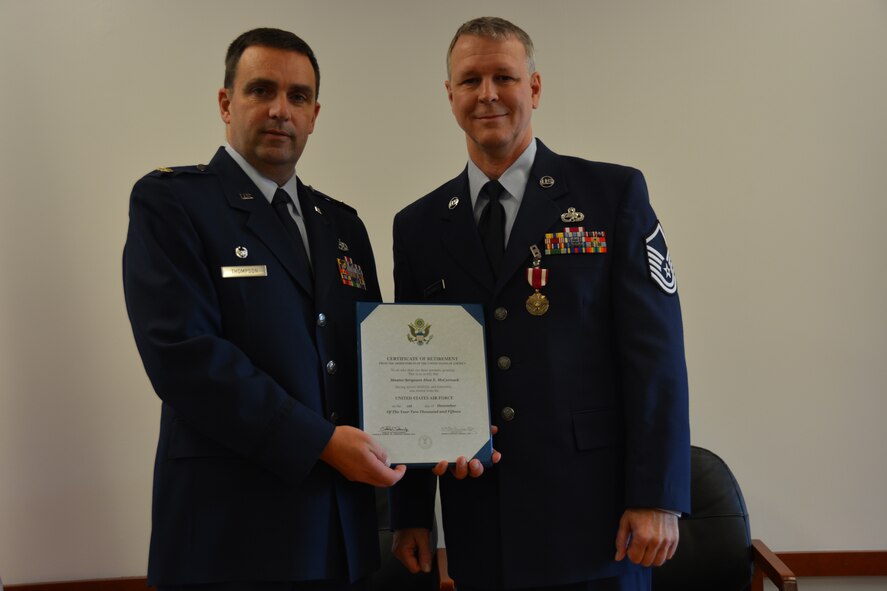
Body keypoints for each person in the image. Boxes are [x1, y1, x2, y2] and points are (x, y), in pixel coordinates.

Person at [389, 17, 690, 591]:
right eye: (470, 79)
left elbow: (657, 356)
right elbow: (412, 375)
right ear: (449, 94)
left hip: (597, 522)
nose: (487, 94)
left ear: (535, 88)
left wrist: (658, 497)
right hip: (481, 524)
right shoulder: (420, 225)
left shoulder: (612, 195)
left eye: (504, 76)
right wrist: (410, 512)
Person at [122, 28, 405, 591]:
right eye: (261, 91)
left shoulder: (341, 225)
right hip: (229, 532)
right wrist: (321, 442)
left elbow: (372, 359)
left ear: (315, 114)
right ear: (227, 102)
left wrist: (442, 429)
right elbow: (186, 359)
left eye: (298, 97)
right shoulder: (173, 202)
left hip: (337, 532)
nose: (281, 110)